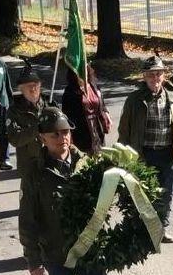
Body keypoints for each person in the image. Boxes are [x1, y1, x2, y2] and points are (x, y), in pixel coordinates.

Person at [19, 107, 103, 275]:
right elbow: (27, 220)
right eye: (54, 134)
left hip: (90, 252)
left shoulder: (87, 165)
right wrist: (34, 261)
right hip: (57, 256)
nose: (62, 137)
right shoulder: (34, 174)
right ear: (42, 138)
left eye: (65, 132)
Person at [118, 55, 173, 243]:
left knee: (165, 194)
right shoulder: (134, 100)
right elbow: (124, 131)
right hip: (144, 154)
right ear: (144, 77)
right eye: (151, 75)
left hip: (167, 154)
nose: (155, 78)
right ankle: (142, 230)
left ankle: (162, 229)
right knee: (143, 193)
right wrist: (123, 156)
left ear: (163, 76)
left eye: (158, 74)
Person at [6, 63, 58, 177]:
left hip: (53, 161)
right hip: (29, 166)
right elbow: (14, 139)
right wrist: (36, 128)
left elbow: (63, 131)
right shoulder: (15, 110)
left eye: (35, 84)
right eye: (28, 85)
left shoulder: (50, 105)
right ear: (21, 88)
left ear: (40, 86)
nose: (33, 88)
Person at [62, 66, 111, 155]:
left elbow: (101, 102)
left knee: (101, 158)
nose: (82, 75)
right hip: (82, 133)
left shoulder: (93, 85)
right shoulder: (70, 92)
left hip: (98, 131)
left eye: (84, 71)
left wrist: (106, 112)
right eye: (78, 73)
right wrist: (69, 135)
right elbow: (67, 116)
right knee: (87, 162)